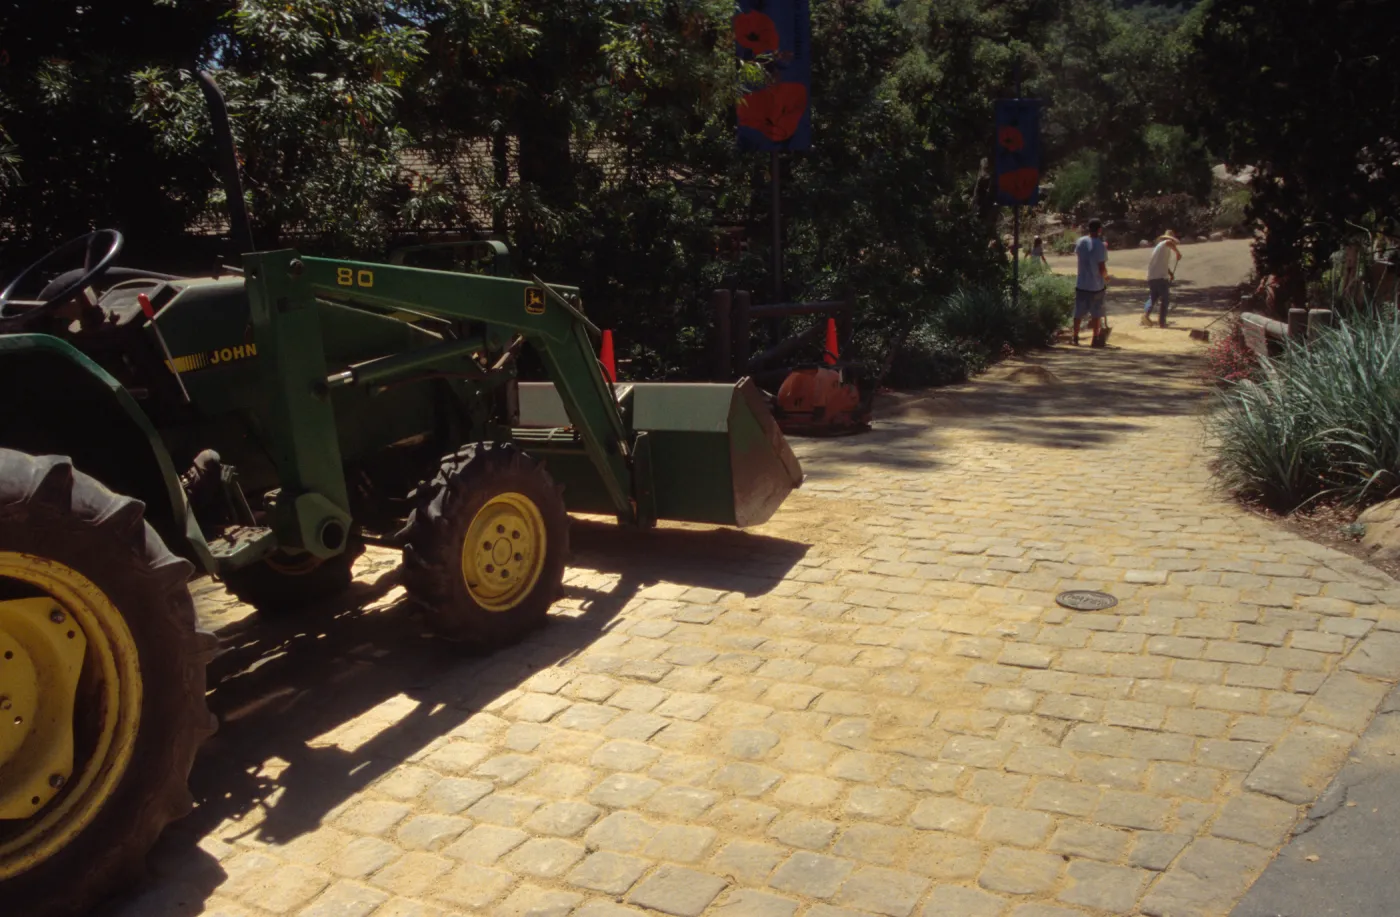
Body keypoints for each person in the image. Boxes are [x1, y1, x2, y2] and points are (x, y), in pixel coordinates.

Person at [1073, 219, 1108, 346]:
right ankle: (1095, 337)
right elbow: (1101, 267)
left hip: (1081, 283)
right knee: (1096, 313)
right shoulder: (1100, 245)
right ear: (1099, 230)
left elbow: (1079, 256)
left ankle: (1075, 337)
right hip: (1096, 285)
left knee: (1078, 312)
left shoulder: (1081, 241)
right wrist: (1106, 277)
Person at [1141, 231, 1182, 327]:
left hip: (1152, 276)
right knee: (1165, 299)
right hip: (1160, 277)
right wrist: (1177, 252)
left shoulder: (1159, 248)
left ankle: (1146, 314)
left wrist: (1170, 273)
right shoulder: (1165, 243)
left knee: (1153, 297)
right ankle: (1162, 322)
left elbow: (1161, 264)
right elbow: (1169, 242)